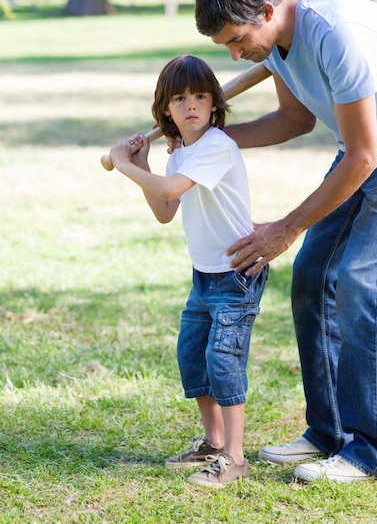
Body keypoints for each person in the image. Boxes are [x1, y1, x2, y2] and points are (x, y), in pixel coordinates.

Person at [193, 0, 377, 483]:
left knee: (362, 283)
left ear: (267, 9)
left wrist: (286, 226)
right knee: (312, 278)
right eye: (226, 47)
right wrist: (209, 140)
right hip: (367, 146)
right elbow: (295, 118)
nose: (236, 56)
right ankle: (328, 434)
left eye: (238, 41)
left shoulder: (337, 35)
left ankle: (374, 456)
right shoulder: (276, 35)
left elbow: (363, 156)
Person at [109, 54, 268, 488]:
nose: (192, 105)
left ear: (215, 105)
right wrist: (140, 165)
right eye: (180, 99)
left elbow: (169, 189)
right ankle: (213, 443)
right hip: (204, 275)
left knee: (223, 361)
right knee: (192, 357)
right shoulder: (182, 152)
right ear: (166, 110)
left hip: (236, 273)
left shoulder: (216, 145)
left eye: (201, 96)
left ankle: (235, 458)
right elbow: (164, 209)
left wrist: (122, 164)